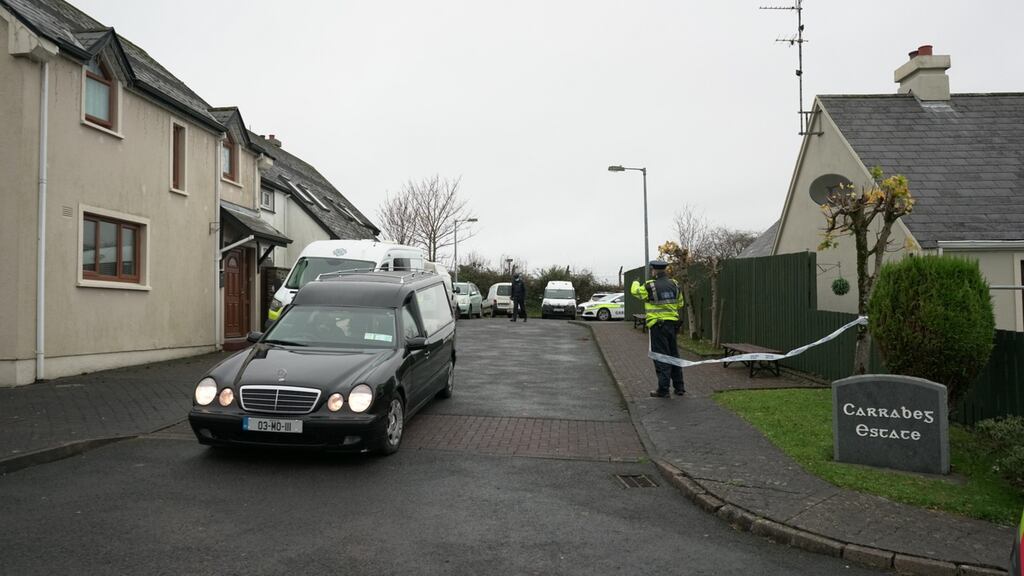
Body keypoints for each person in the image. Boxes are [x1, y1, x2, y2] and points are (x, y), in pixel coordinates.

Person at [630, 259, 685, 398]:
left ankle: (663, 389)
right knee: (674, 355)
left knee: (661, 357)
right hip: (673, 325)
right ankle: (679, 387)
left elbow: (635, 292)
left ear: (653, 270)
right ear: (665, 270)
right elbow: (680, 303)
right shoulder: (675, 284)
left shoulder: (650, 286)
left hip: (658, 326)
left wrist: (635, 282)